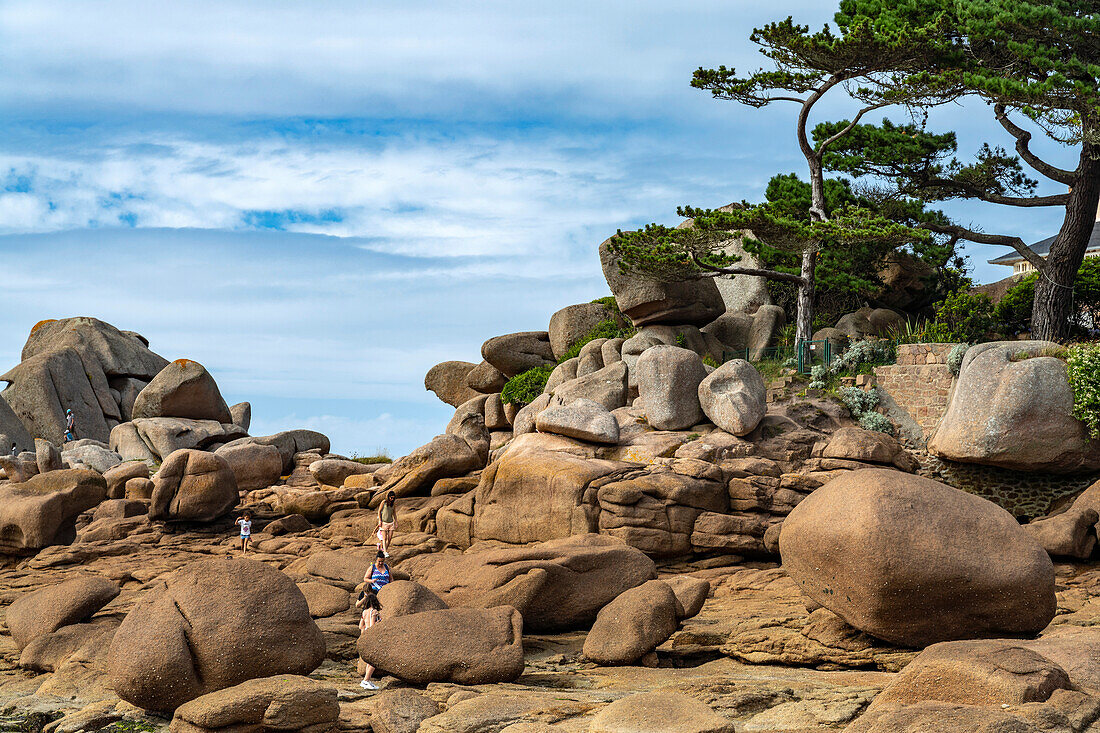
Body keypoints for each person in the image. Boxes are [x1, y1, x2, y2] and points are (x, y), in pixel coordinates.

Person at [356, 591, 382, 690]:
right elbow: (372, 626)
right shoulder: (374, 611)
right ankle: (366, 680)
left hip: (366, 634)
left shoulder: (364, 611)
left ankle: (367, 681)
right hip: (372, 636)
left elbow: (360, 626)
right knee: (374, 660)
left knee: (370, 660)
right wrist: (379, 622)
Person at [376, 491, 397, 558]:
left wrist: (396, 522)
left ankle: (384, 549)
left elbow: (394, 514)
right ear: (388, 497)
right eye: (391, 497)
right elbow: (379, 511)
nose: (392, 499)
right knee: (384, 538)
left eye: (393, 498)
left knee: (390, 538)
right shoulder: (384, 502)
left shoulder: (393, 504)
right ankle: (385, 552)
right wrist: (380, 520)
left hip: (390, 523)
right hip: (384, 523)